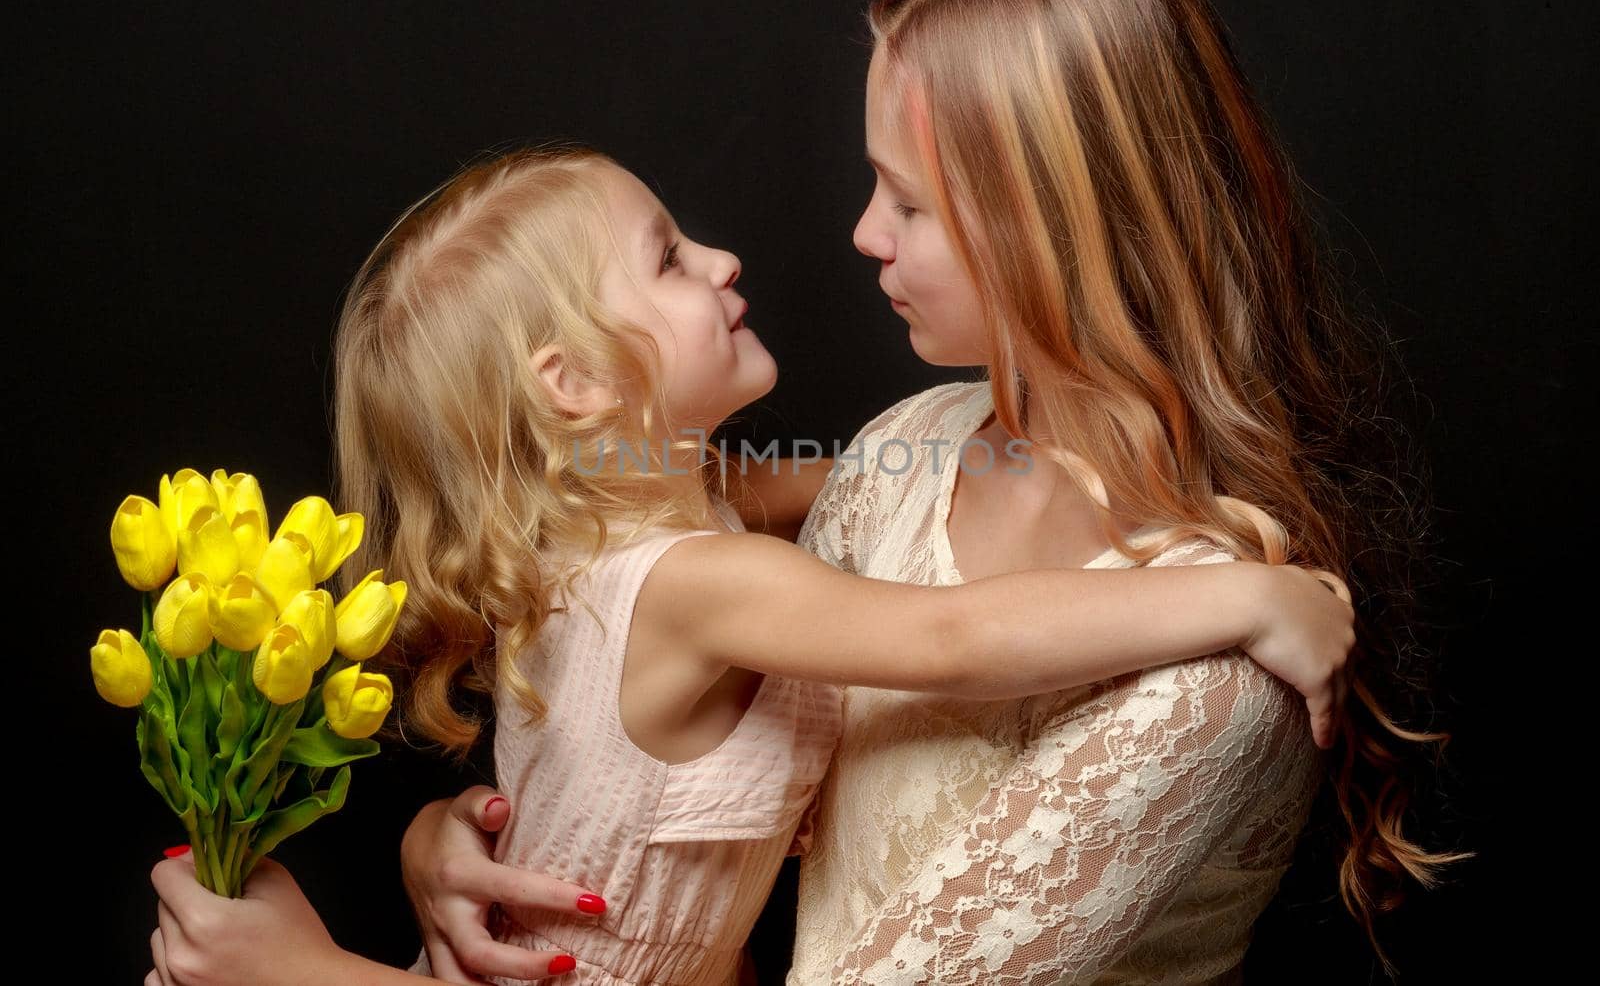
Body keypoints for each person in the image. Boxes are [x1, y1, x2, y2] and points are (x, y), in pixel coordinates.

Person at [397, 0, 1471, 983]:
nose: (865, 234)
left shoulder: (1217, 674)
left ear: (1054, 224)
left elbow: (945, 639)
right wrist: (481, 840)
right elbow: (673, 748)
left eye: (909, 201)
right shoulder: (904, 449)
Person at [144, 144, 1352, 986]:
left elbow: (881, 471)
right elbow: (949, 638)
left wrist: (1042, 450)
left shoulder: (612, 527)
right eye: (667, 258)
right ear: (571, 381)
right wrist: (1238, 592)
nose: (720, 261)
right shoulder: (693, 585)